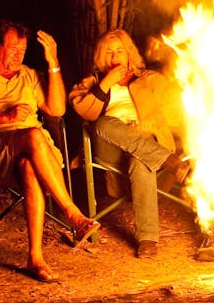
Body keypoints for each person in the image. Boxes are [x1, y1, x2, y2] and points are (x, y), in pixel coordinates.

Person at [0, 19, 101, 283]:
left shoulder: (29, 75)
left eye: (23, 49)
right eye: (12, 48)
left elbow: (57, 110)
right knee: (32, 133)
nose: (19, 54)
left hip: (38, 154)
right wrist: (5, 117)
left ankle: (35, 258)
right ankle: (72, 214)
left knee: (30, 164)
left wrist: (52, 62)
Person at [68, 29, 191, 259]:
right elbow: (84, 110)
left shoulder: (150, 79)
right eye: (109, 52)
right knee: (103, 123)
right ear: (102, 56)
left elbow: (175, 111)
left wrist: (148, 126)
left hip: (146, 141)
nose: (115, 57)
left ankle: (147, 239)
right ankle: (166, 159)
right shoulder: (93, 82)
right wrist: (106, 83)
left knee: (140, 159)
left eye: (120, 51)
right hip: (110, 146)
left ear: (128, 54)